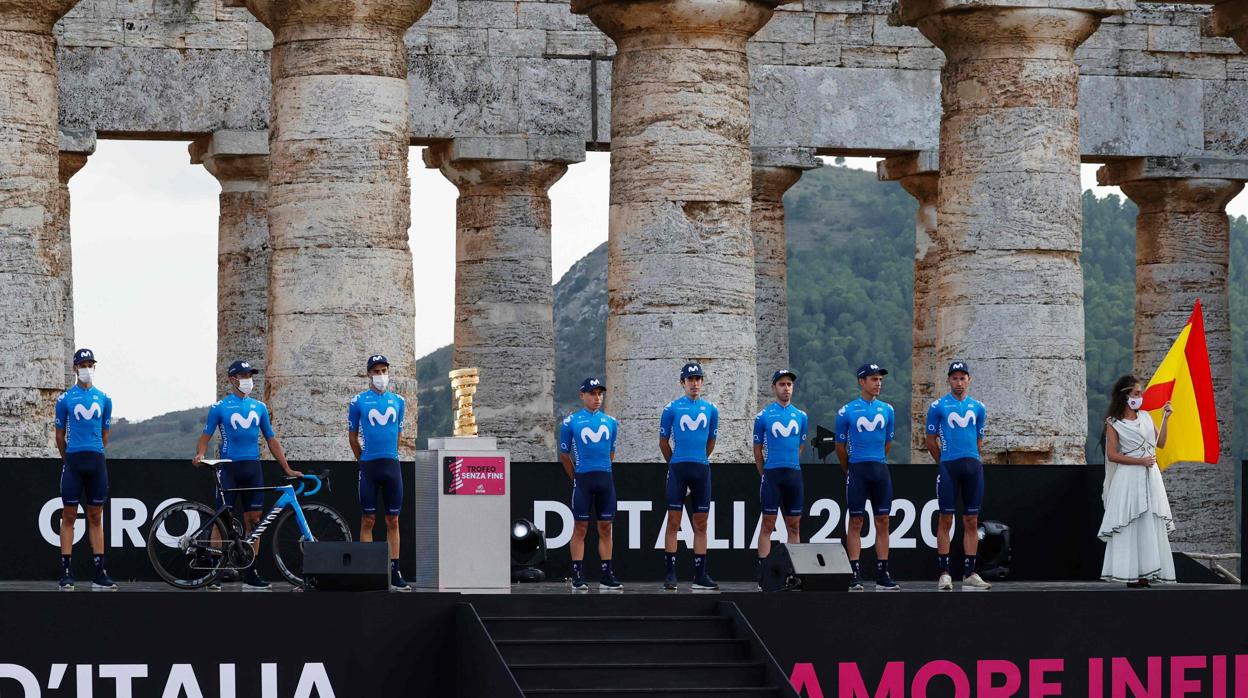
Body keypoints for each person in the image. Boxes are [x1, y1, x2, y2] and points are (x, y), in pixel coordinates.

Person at [192, 360, 302, 591]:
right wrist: (200, 453)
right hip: (229, 468)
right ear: (233, 380)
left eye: (250, 375)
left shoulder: (259, 407)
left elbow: (271, 440)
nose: (248, 380)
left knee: (254, 521)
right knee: (222, 521)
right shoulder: (220, 407)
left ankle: (250, 571)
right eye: (243, 376)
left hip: (252, 468)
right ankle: (215, 570)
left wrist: (287, 469)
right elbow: (206, 435)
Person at [1098, 374, 1175, 587]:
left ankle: (1146, 573)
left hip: (1151, 477)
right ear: (1124, 396)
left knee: (1149, 522)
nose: (1140, 397)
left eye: (1140, 393)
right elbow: (1113, 454)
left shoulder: (1148, 417)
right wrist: (1139, 461)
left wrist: (1166, 417)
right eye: (1136, 393)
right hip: (1129, 477)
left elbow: (1161, 443)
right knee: (1132, 522)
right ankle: (1130, 572)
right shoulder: (1113, 423)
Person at [925, 361, 992, 591]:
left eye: (963, 378)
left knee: (972, 521)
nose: (959, 382)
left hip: (973, 466)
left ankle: (969, 572)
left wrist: (971, 457)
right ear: (949, 380)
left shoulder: (978, 407)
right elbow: (930, 440)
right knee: (946, 519)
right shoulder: (938, 406)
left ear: (969, 380)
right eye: (954, 378)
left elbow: (979, 439)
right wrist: (943, 461)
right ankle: (944, 573)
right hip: (949, 467)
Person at [54, 348, 116, 591]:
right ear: (74, 369)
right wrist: (67, 458)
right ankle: (66, 570)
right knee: (69, 515)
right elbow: (59, 435)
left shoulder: (105, 398)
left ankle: (100, 571)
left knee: (96, 516)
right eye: (82, 365)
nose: (86, 369)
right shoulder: (65, 399)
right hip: (73, 462)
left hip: (96, 462)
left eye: (90, 364)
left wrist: (96, 450)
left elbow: (105, 433)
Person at [835, 363, 899, 591]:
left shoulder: (888, 410)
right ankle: (855, 572)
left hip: (880, 469)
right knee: (856, 521)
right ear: (862, 382)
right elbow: (840, 446)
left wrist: (877, 460)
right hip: (857, 470)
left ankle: (883, 573)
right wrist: (850, 468)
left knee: (883, 521)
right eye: (873, 379)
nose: (878, 383)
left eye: (880, 379)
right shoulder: (847, 411)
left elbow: (888, 442)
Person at [348, 354, 410, 591]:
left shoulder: (399, 401)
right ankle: (368, 570)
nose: (381, 375)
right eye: (376, 371)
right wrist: (361, 459)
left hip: (391, 464)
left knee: (393, 520)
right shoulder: (358, 401)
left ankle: (394, 571)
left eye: (384, 370)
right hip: (369, 465)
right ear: (368, 374)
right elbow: (352, 435)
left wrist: (392, 453)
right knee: (368, 519)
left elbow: (399, 432)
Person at [659, 362, 720, 591]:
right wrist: (674, 462)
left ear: (702, 382)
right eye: (690, 379)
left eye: (698, 379)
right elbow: (663, 442)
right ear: (682, 383)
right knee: (674, 520)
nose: (694, 383)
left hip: (701, 469)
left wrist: (700, 458)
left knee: (701, 523)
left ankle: (700, 574)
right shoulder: (672, 409)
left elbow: (711, 440)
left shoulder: (711, 409)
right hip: (678, 469)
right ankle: (670, 573)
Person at [558, 377, 623, 592]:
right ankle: (577, 574)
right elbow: (564, 454)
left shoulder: (611, 422)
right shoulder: (571, 422)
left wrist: (602, 468)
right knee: (580, 528)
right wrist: (575, 476)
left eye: (600, 394)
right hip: (583, 479)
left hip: (605, 478)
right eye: (592, 394)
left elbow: (611, 451)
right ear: (582, 396)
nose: (597, 398)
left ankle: (607, 574)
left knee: (606, 527)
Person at [753, 369, 808, 583]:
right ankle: (764, 573)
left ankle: (792, 572)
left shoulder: (801, 416)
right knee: (768, 523)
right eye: (782, 384)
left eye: (789, 384)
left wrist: (790, 465)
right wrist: (765, 473)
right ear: (774, 388)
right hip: (772, 474)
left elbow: (800, 446)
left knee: (794, 524)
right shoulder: (763, 416)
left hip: (793, 474)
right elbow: (757, 450)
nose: (786, 388)